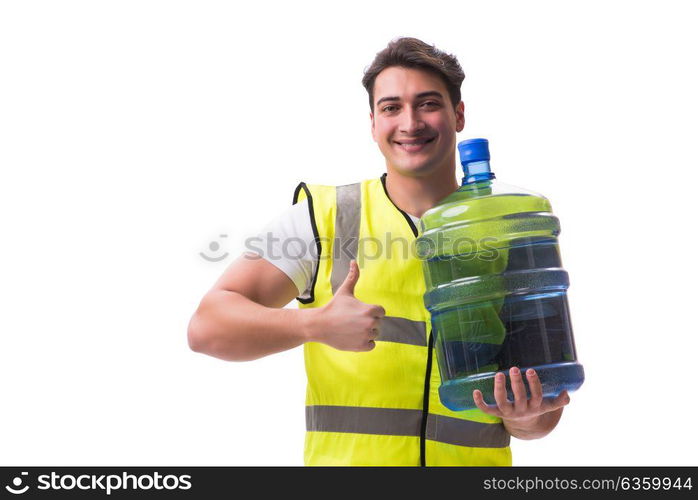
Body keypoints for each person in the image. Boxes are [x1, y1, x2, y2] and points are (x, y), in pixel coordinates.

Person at [187, 37, 571, 466]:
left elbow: (538, 418)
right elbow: (207, 328)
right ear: (373, 123)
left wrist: (528, 414)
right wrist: (313, 324)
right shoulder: (325, 218)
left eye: (428, 104)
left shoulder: (509, 227)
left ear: (458, 115)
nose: (410, 123)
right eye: (391, 107)